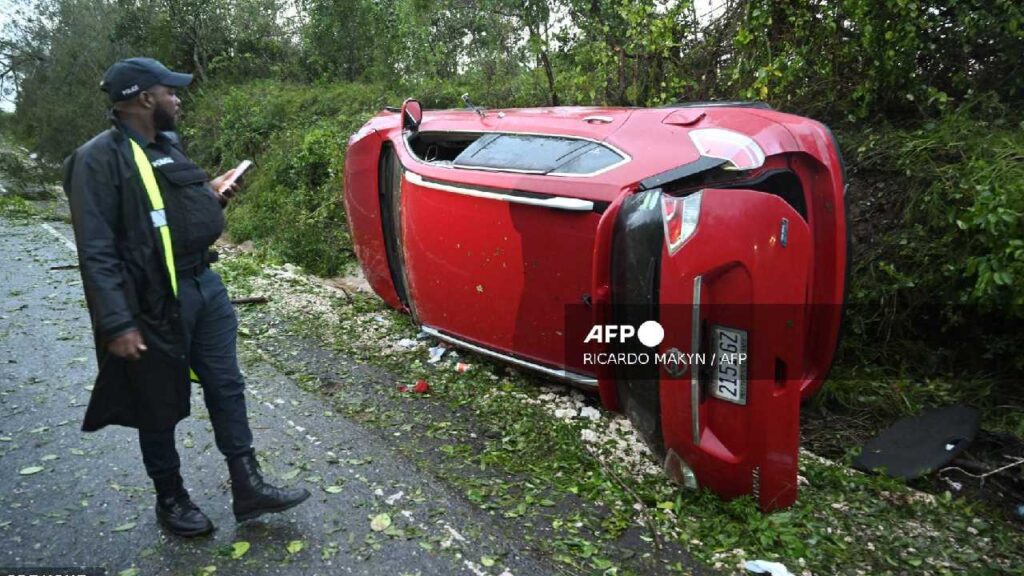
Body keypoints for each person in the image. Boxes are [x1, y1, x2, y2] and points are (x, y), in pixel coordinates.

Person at [63, 57, 309, 537]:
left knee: (226, 385)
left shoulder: (167, 145)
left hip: (205, 287)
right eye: (169, 91)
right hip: (151, 301)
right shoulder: (97, 159)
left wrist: (211, 192)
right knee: (156, 400)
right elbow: (95, 249)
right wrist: (116, 323)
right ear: (144, 99)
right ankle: (171, 499)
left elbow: (171, 206)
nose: (178, 98)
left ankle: (248, 485)